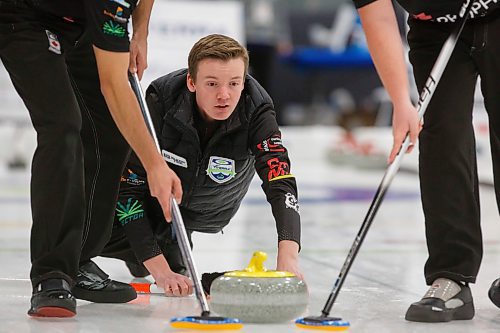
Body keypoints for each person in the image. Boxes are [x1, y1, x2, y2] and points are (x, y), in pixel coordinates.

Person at [0, 0, 181, 317]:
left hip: (77, 21)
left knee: (110, 133)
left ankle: (77, 260)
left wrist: (141, 31)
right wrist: (154, 164)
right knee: (63, 126)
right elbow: (113, 85)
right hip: (22, 14)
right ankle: (52, 275)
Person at [100, 34, 304, 297]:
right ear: (191, 82)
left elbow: (280, 181)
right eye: (212, 83)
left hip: (210, 210)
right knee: (92, 229)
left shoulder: (258, 110)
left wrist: (288, 257)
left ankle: (165, 245)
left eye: (234, 83)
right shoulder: (160, 101)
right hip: (159, 200)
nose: (224, 95)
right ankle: (150, 251)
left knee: (163, 255)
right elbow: (128, 190)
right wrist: (160, 271)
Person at [352, 0, 500, 323]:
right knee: (441, 137)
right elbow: (376, 14)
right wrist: (400, 101)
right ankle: (452, 278)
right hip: (436, 26)